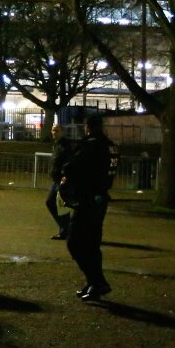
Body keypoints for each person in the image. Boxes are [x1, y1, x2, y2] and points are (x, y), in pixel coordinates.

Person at [60, 113, 119, 302]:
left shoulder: (91, 145)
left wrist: (67, 176)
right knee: (92, 244)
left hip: (87, 198)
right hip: (101, 198)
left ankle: (97, 281)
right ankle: (94, 283)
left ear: (88, 127)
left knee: (75, 242)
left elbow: (73, 166)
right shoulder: (110, 146)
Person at [46, 123, 74, 240]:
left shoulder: (65, 146)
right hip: (57, 179)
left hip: (61, 180)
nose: (54, 133)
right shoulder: (58, 145)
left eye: (56, 131)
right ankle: (66, 229)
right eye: (53, 130)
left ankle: (66, 229)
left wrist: (65, 176)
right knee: (57, 204)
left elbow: (69, 162)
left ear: (62, 132)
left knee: (56, 203)